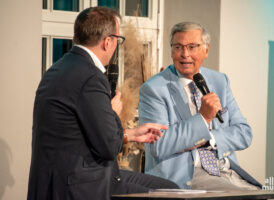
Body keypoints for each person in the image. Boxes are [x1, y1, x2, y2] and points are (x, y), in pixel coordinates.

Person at [27, 7, 178, 200]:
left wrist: (130, 134)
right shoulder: (91, 77)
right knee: (172, 193)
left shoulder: (58, 68)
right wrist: (112, 112)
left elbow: (85, 133)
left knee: (169, 188)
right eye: (118, 40)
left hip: (65, 176)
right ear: (107, 42)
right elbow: (107, 148)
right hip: (79, 184)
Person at [138, 22, 262, 191]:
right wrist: (203, 118)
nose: (184, 54)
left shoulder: (219, 81)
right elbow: (158, 145)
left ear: (206, 50)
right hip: (186, 176)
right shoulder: (154, 89)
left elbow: (244, 133)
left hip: (226, 170)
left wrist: (208, 139)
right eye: (178, 47)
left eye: (192, 47)